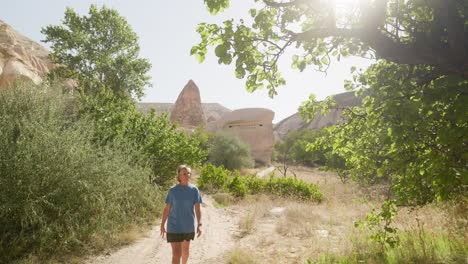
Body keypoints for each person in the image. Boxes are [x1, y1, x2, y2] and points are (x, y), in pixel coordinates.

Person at [160, 165, 202, 264]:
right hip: (174, 226)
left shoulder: (194, 190)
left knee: (185, 252)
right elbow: (167, 209)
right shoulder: (172, 191)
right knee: (176, 254)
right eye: (184, 173)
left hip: (188, 226)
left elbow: (198, 209)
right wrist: (162, 224)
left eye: (188, 173)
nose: (187, 175)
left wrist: (199, 225)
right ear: (179, 176)